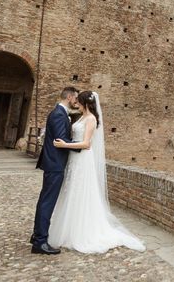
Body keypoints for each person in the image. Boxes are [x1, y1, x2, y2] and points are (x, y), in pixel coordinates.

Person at [49, 90, 145, 253]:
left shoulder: (91, 119)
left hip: (82, 160)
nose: (76, 104)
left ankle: (82, 232)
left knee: (80, 193)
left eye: (78, 102)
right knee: (71, 192)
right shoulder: (82, 117)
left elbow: (86, 144)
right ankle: (69, 228)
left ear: (85, 103)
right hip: (74, 159)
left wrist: (65, 145)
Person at [31, 86, 80, 255]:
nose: (76, 102)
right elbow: (61, 140)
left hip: (53, 163)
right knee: (47, 202)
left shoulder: (58, 113)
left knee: (45, 200)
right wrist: (81, 146)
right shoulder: (59, 114)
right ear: (69, 97)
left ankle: (37, 236)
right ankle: (40, 241)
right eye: (75, 98)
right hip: (55, 164)